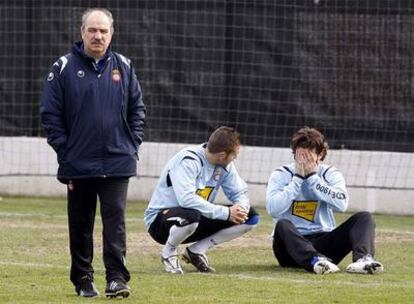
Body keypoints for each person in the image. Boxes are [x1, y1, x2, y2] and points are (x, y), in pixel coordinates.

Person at [40, 8, 146, 298]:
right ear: (82, 32)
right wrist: (66, 150)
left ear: (111, 34)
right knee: (81, 225)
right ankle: (83, 280)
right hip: (78, 163)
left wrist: (131, 144)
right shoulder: (62, 67)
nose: (97, 35)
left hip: (117, 162)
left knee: (116, 225)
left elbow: (137, 109)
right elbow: (50, 114)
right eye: (92, 30)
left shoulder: (124, 66)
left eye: (103, 31)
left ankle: (117, 279)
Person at [266, 127, 383, 275]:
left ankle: (363, 260)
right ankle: (315, 260)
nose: (302, 161)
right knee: (282, 225)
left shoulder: (330, 174)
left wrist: (313, 179)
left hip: (323, 242)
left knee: (364, 217)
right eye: (299, 156)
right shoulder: (281, 174)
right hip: (290, 247)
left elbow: (342, 205)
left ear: (320, 155)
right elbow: (273, 209)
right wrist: (297, 179)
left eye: (307, 157)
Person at [144, 126, 260, 274]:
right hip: (160, 223)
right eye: (235, 155)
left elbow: (239, 191)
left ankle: (196, 251)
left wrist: (241, 207)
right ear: (222, 155)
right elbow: (186, 199)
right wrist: (226, 212)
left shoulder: (225, 166)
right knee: (191, 215)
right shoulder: (188, 160)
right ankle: (168, 253)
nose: (235, 158)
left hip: (196, 219)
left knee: (250, 216)